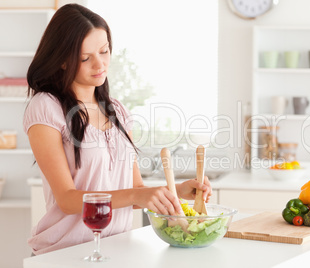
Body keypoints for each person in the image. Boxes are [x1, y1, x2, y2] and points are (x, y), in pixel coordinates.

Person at [23, 3, 212, 255]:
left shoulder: (118, 112)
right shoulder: (46, 107)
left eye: (104, 51)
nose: (99, 64)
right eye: (85, 58)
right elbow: (67, 199)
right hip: (66, 254)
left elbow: (133, 189)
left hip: (115, 251)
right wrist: (137, 196)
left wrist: (175, 192)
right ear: (63, 61)